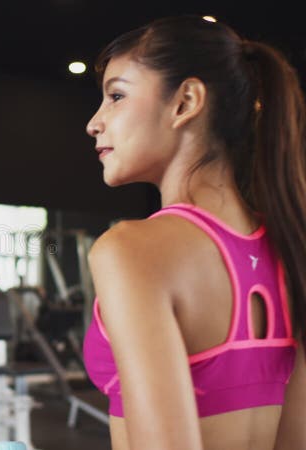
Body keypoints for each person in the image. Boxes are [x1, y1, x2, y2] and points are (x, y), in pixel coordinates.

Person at [82, 16, 306, 449]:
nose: (94, 122)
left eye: (116, 96)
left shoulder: (131, 250)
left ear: (185, 102)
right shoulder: (292, 246)